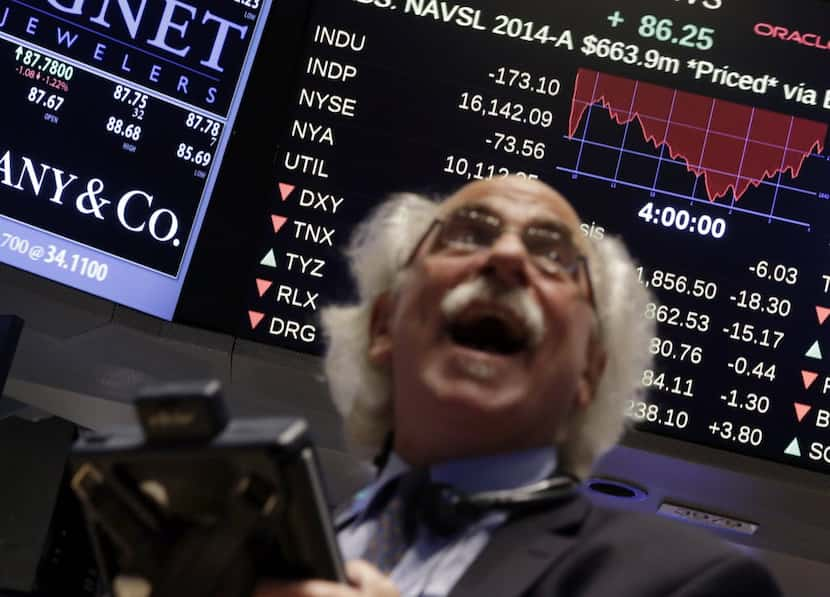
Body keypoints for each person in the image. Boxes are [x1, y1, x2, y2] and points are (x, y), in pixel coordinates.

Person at [256, 177, 781, 597]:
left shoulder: (692, 582)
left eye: (553, 254)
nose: (506, 257)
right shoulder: (254, 548)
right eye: (469, 233)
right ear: (383, 327)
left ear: (589, 372)